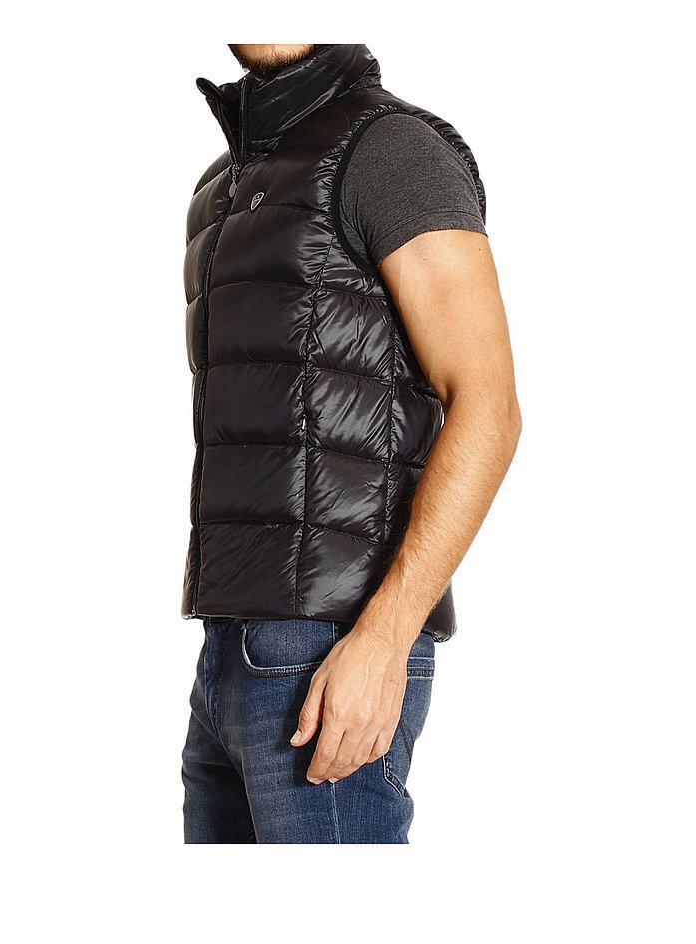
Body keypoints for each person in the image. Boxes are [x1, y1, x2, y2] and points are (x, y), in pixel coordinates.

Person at [180, 44, 520, 843]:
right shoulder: (221, 183)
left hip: (335, 651)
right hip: (226, 652)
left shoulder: (391, 150)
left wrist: (385, 637)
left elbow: (489, 406)